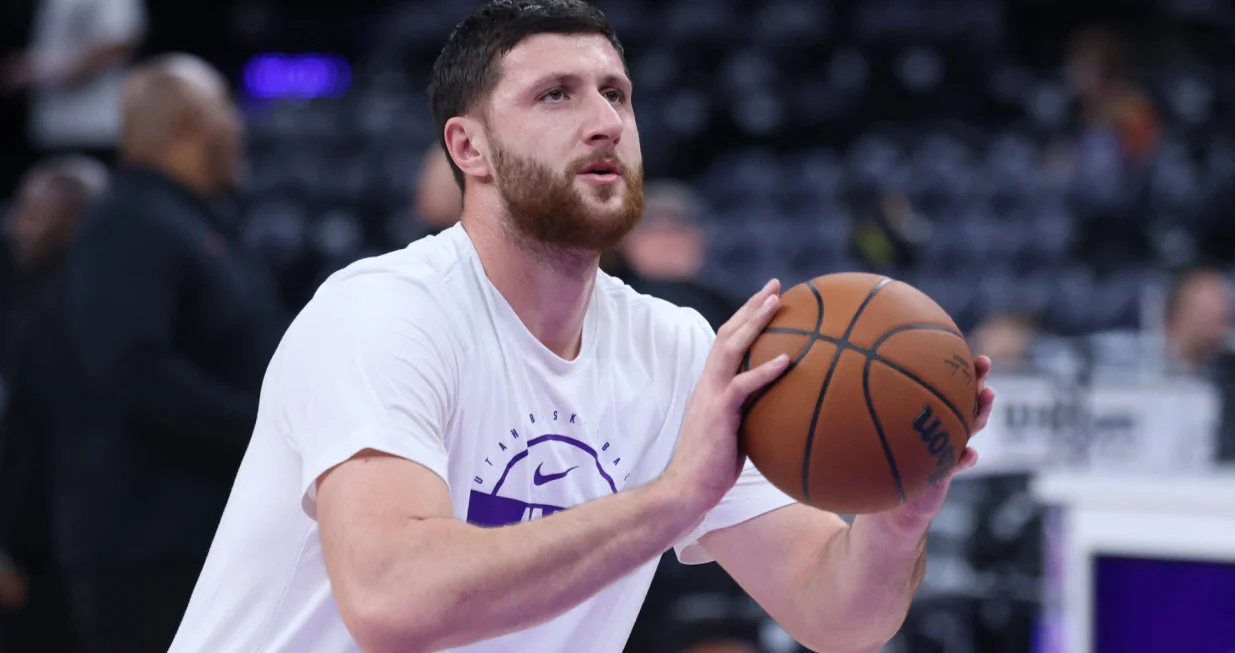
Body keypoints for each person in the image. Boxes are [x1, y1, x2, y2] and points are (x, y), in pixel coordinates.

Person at [168, 2, 995, 652]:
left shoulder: (674, 348)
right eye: (555, 94)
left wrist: (895, 517)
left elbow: (836, 617)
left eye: (616, 93)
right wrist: (675, 498)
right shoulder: (382, 312)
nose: (603, 120)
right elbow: (392, 601)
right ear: (469, 147)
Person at [61, 53, 287, 653]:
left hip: (190, 530)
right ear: (186, 124)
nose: (238, 126)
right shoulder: (131, 222)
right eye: (225, 109)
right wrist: (264, 429)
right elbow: (130, 367)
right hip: (146, 543)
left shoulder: (190, 219)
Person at [0, 156, 106, 653]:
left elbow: (32, 443)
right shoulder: (100, 303)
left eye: (32, 211)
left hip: (53, 552)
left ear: (72, 220)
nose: (17, 226)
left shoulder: (50, 316)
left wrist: (12, 549)